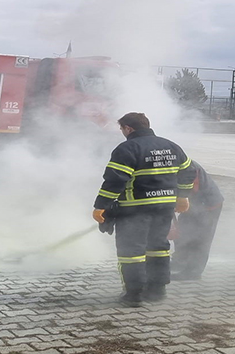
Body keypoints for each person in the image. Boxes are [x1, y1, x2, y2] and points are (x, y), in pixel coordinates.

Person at [93, 112, 196, 307]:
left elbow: (114, 180)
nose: (122, 132)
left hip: (134, 210)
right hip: (164, 208)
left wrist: (100, 206)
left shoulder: (127, 148)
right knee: (158, 247)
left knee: (131, 251)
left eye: (122, 129)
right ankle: (157, 291)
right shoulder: (171, 146)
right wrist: (182, 196)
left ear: (129, 128)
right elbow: (189, 171)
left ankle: (134, 294)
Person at [171, 160, 223, 281]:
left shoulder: (189, 169)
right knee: (183, 231)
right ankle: (179, 261)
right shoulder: (172, 164)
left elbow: (190, 191)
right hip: (190, 204)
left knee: (200, 237)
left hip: (208, 205)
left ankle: (193, 271)